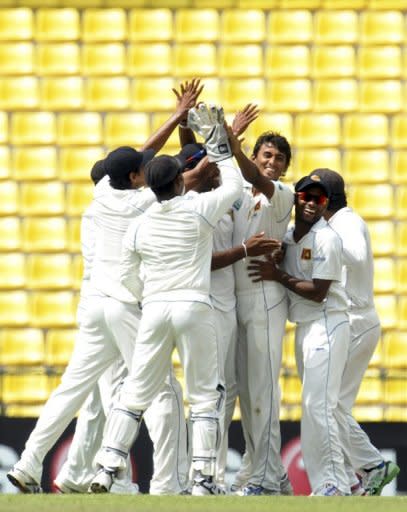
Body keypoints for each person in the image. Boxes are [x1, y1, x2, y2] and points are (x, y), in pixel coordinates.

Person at [7, 80, 203, 494]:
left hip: (92, 304)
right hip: (123, 307)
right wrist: (209, 157)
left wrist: (175, 117)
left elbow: (143, 156)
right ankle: (170, 484)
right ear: (135, 178)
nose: (145, 170)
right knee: (160, 391)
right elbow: (175, 178)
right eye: (140, 170)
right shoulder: (143, 201)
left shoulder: (103, 190)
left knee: (74, 391)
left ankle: (28, 463)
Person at [88, 104, 243, 496]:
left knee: (136, 391)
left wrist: (148, 294)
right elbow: (235, 188)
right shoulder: (199, 210)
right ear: (179, 182)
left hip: (154, 310)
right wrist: (220, 143)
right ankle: (204, 479)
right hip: (194, 307)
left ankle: (106, 468)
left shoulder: (140, 224)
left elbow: (126, 273)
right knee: (205, 395)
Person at [247, 173, 352, 496]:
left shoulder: (328, 239)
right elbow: (289, 255)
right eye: (306, 197)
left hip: (328, 322)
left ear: (325, 205)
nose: (311, 204)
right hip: (306, 327)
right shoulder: (291, 237)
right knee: (313, 407)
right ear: (296, 199)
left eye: (319, 199)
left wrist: (277, 274)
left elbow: (319, 291)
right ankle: (326, 483)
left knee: (319, 406)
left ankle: (336, 483)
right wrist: (280, 257)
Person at [310, 168, 400, 496]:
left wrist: (322, 236)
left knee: (329, 403)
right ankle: (355, 478)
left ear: (327, 198)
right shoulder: (335, 224)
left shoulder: (347, 221)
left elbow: (357, 256)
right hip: (350, 321)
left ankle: (371, 465)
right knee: (334, 405)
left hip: (356, 321)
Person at [230, 131, 294, 495]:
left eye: (279, 159)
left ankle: (264, 478)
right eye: (266, 156)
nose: (272, 163)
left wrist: (236, 148)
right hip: (237, 300)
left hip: (265, 300)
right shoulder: (239, 193)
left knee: (263, 393)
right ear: (255, 157)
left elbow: (255, 178)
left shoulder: (282, 196)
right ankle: (265, 472)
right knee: (246, 393)